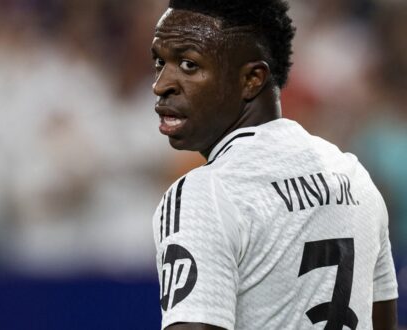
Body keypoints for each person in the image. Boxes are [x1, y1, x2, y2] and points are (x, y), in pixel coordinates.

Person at [149, 0, 399, 329]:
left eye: (188, 64)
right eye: (159, 62)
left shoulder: (203, 194)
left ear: (253, 78)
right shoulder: (353, 176)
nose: (161, 84)